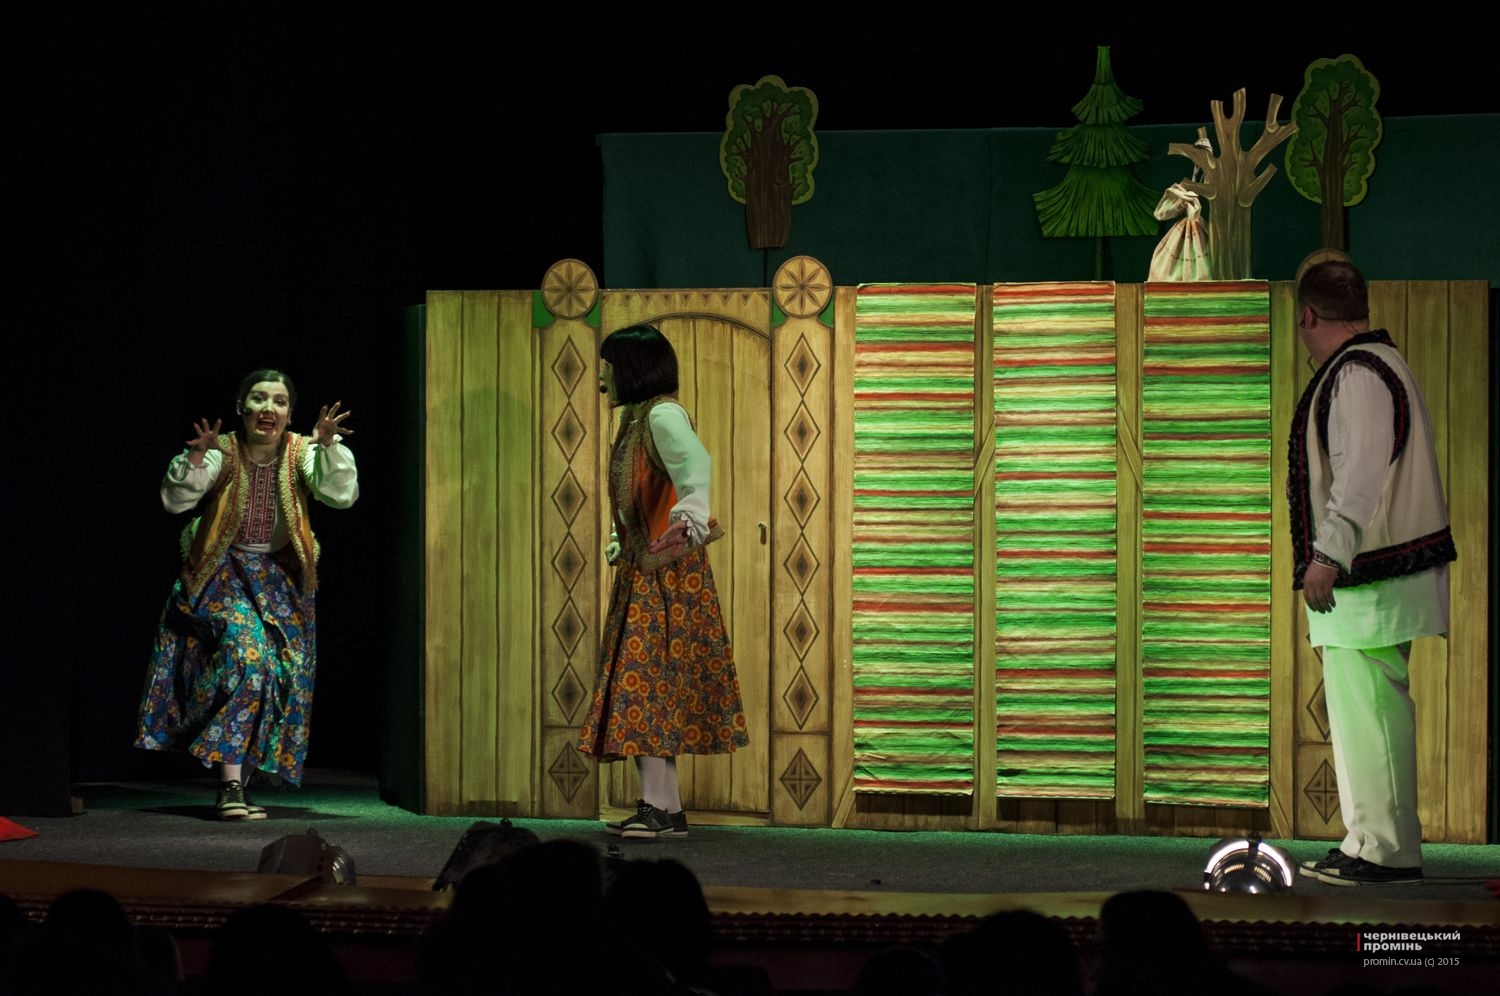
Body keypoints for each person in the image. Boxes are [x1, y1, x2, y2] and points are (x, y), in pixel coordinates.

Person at [1289, 260, 1455, 886]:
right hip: (1379, 573)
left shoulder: (1358, 373)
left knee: (1373, 708)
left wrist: (1327, 554)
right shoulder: (1373, 364)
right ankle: (1367, 839)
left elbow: (1358, 475)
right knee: (1361, 710)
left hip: (1374, 573)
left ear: (1308, 315)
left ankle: (1387, 851)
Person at [134, 369, 358, 820]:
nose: (268, 408)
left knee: (284, 674)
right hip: (223, 574)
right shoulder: (224, 452)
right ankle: (229, 786)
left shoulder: (303, 453)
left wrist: (329, 447)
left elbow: (341, 494)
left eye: (279, 401)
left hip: (281, 581)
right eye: (258, 399)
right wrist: (197, 459)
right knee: (249, 660)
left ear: (289, 414)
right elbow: (176, 500)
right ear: (243, 408)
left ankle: (240, 785)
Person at [578, 325, 749, 839]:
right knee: (650, 686)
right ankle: (668, 811)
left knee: (645, 687)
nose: (603, 377)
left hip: (666, 573)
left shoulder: (661, 415)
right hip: (646, 568)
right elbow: (636, 489)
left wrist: (689, 517)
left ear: (630, 368)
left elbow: (695, 463)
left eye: (609, 366)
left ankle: (654, 809)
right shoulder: (636, 418)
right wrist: (621, 536)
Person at [1147, 134, 1213, 281]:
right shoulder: (1186, 187)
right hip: (1187, 225)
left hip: (1203, 227)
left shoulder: (1211, 181)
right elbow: (1162, 213)